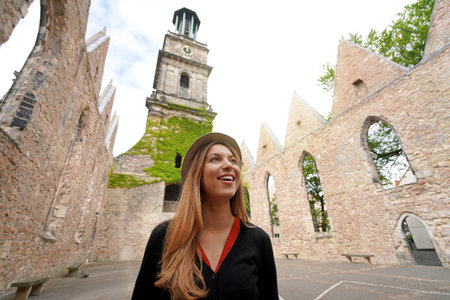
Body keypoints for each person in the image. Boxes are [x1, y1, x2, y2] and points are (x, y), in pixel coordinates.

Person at [131, 132, 278, 300]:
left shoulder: (259, 240)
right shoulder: (165, 236)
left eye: (233, 160)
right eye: (215, 159)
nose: (228, 165)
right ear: (197, 175)